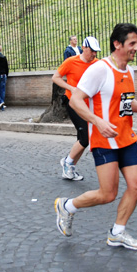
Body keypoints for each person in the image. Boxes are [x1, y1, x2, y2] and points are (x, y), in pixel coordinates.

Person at [54, 23, 137, 251]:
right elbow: (76, 100)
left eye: (136, 43)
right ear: (117, 44)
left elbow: (124, 103)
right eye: (132, 43)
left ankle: (117, 232)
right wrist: (97, 121)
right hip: (104, 140)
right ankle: (67, 206)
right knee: (107, 194)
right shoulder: (99, 69)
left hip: (126, 137)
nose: (136, 48)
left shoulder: (129, 71)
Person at [52, 36, 101, 181]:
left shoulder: (97, 64)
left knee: (82, 138)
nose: (94, 54)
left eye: (96, 52)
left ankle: (69, 166)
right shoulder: (71, 61)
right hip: (74, 104)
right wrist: (71, 88)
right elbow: (56, 77)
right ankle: (67, 163)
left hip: (89, 106)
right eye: (92, 51)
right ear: (84, 48)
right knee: (85, 138)